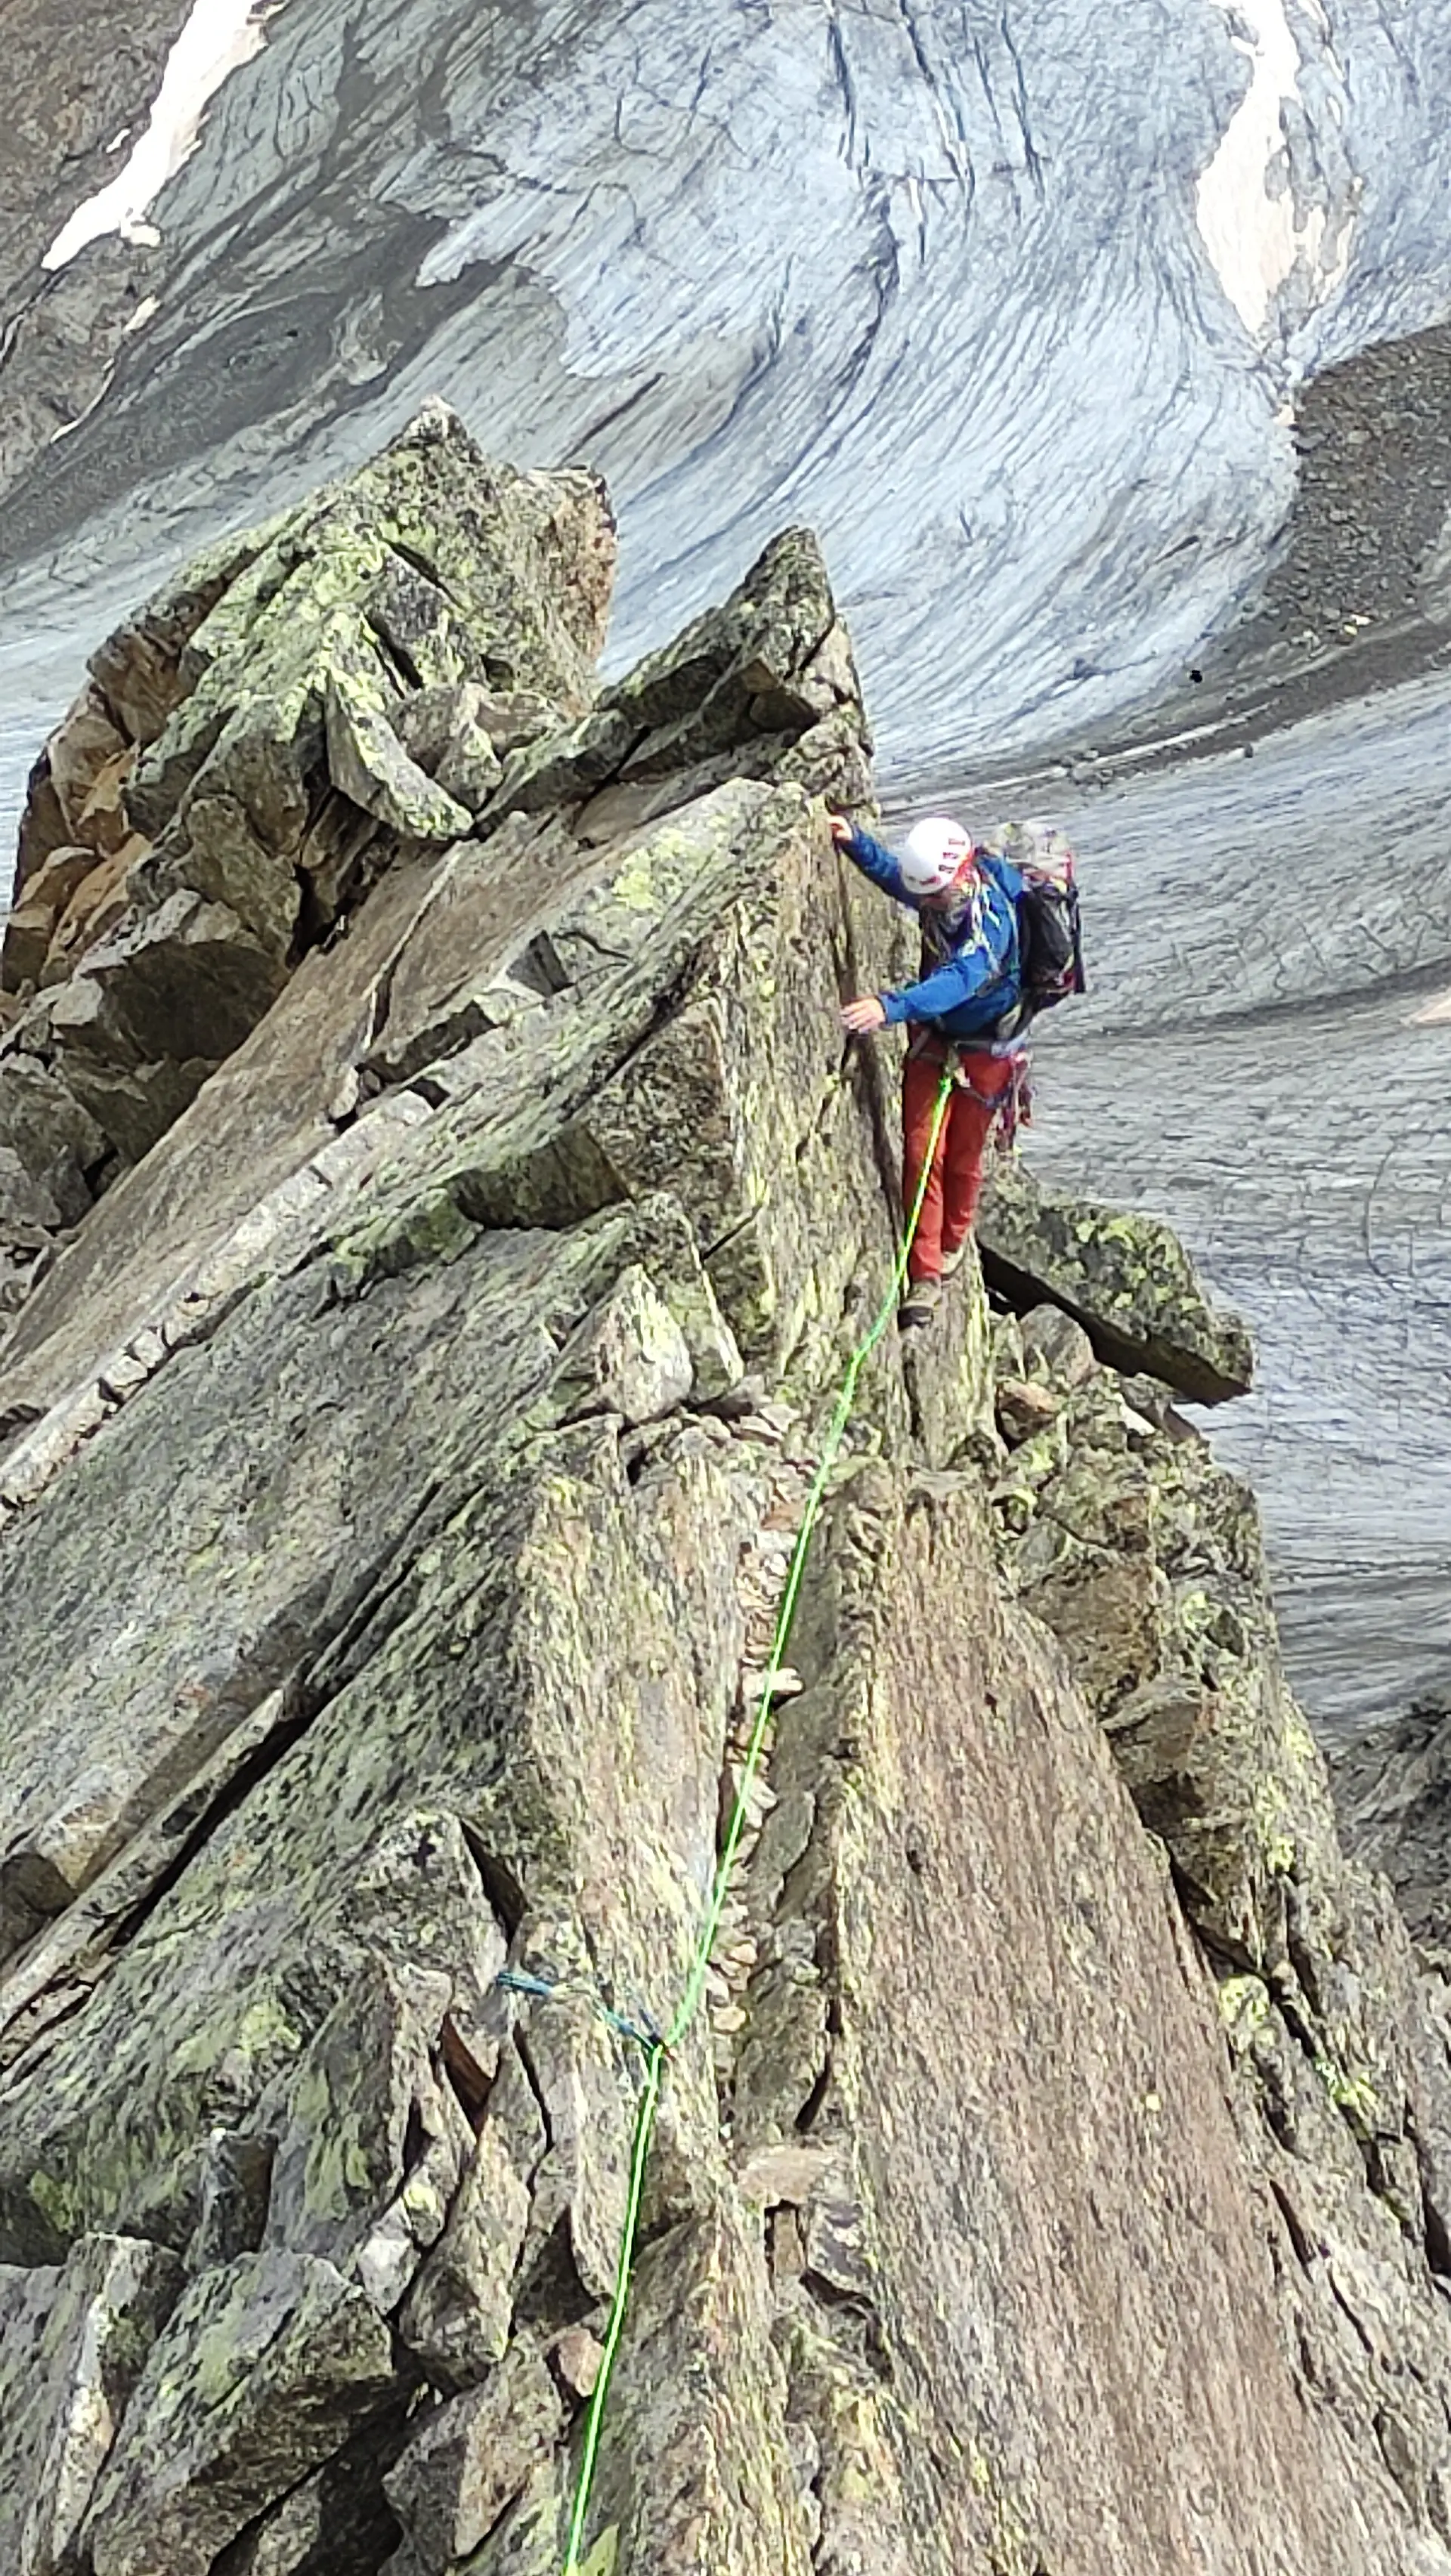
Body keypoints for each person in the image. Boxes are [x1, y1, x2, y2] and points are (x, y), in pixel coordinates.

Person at [830, 809, 1028, 1328]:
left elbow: (961, 979)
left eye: (937, 895)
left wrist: (889, 1007)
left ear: (962, 873)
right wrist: (856, 843)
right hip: (939, 1037)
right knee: (922, 1153)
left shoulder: (990, 920)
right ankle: (926, 1274)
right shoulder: (942, 890)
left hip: (987, 1047)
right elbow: (903, 881)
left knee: (962, 1155)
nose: (931, 904)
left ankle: (954, 1239)